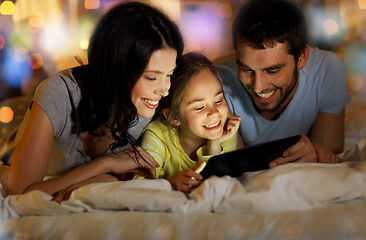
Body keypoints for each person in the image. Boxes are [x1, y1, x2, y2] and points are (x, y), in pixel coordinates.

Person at [0, 2, 184, 197]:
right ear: (115, 68)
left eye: (169, 74)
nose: (165, 90)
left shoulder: (147, 106)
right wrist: (105, 165)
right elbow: (19, 192)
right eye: (151, 77)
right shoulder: (59, 93)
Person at [216, 0, 351, 167]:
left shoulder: (328, 69)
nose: (258, 87)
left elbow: (327, 153)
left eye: (272, 71)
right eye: (246, 69)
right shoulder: (216, 83)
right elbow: (234, 166)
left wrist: (316, 151)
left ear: (301, 57)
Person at [138, 52, 243, 194]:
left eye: (218, 100)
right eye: (199, 107)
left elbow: (223, 181)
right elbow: (138, 185)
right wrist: (171, 183)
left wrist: (214, 144)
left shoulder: (226, 126)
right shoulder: (157, 136)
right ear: (174, 117)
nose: (214, 112)